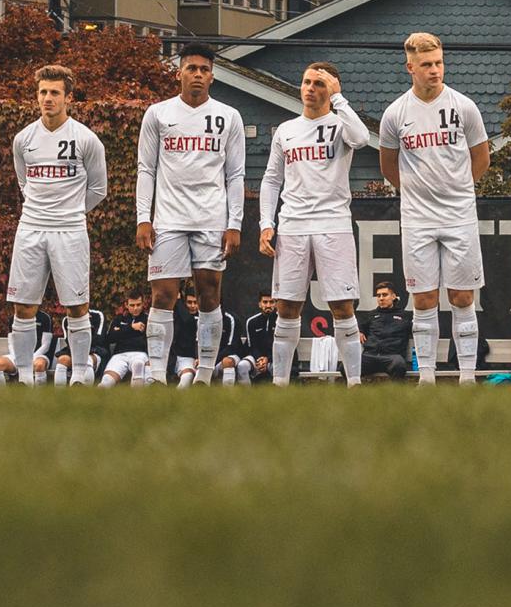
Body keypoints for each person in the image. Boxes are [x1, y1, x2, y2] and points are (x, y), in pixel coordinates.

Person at [379, 33, 491, 386]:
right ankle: (426, 376)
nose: (435, 70)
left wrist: (457, 191)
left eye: (439, 63)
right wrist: (416, 193)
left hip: (459, 216)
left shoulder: (464, 106)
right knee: (424, 298)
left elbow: (482, 158)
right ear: (410, 67)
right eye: (426, 64)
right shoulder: (395, 113)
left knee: (462, 296)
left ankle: (467, 375)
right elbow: (387, 166)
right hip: (416, 218)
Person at [136, 43, 245, 385]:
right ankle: (156, 375)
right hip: (168, 219)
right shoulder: (157, 113)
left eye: (204, 69)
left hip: (211, 219)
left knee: (210, 293)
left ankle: (204, 372)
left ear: (212, 76)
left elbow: (235, 174)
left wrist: (235, 224)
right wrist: (143, 217)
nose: (197, 74)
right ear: (179, 72)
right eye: (191, 68)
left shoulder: (229, 116)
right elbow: (146, 169)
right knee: (162, 295)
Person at [259, 61, 370, 387]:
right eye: (307, 81)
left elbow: (362, 138)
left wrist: (339, 99)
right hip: (292, 226)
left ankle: (354, 384)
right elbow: (270, 179)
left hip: (333, 224)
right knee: (287, 306)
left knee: (341, 305)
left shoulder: (341, 125)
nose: (310, 88)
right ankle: (280, 383)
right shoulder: (286, 130)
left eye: (318, 83)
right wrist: (267, 223)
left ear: (332, 88)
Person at [7, 65, 107, 386]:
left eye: (54, 93)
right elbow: (24, 183)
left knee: (77, 305)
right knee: (24, 305)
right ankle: (24, 377)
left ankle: (79, 374)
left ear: (68, 97)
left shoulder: (86, 139)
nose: (47, 98)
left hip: (70, 231)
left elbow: (98, 189)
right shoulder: (23, 139)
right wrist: (44, 212)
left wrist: (72, 213)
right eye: (42, 92)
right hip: (31, 228)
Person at [99, 290, 151, 387]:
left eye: (138, 305)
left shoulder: (148, 319)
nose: (135, 308)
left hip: (139, 353)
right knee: (106, 381)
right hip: (120, 354)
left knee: (138, 364)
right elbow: (110, 338)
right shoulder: (119, 318)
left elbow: (146, 340)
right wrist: (132, 328)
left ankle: (137, 399)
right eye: (132, 305)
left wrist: (121, 331)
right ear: (126, 305)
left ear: (143, 304)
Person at [360, 281, 410, 380]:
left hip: (392, 357)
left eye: (385, 295)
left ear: (393, 296)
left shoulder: (405, 316)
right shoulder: (371, 315)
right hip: (370, 356)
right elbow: (358, 327)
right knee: (346, 366)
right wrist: (359, 331)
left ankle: (395, 394)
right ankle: (356, 391)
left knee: (399, 364)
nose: (381, 298)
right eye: (378, 296)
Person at [241, 293, 277, 384]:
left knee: (278, 368)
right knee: (242, 366)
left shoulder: (281, 322)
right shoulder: (251, 321)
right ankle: (244, 396)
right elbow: (251, 346)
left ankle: (278, 396)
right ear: (260, 304)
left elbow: (281, 347)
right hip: (256, 358)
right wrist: (260, 359)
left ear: (275, 304)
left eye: (271, 302)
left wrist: (267, 359)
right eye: (265, 302)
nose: (268, 305)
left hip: (274, 359)